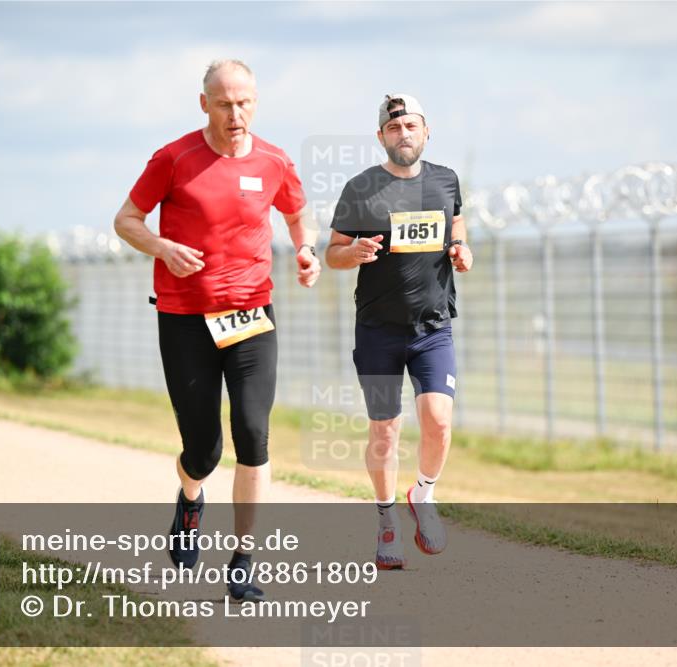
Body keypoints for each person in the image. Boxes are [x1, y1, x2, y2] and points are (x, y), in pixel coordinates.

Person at [114, 60, 320, 602]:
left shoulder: (274, 160)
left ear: (257, 102)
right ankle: (190, 499)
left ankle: (244, 560)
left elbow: (299, 215)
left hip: (252, 315)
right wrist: (162, 247)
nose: (236, 113)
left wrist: (304, 249)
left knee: (253, 433)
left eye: (245, 102)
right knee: (203, 449)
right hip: (184, 318)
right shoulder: (174, 158)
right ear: (203, 103)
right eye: (225, 103)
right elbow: (126, 220)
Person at [325, 94, 473, 570]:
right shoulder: (360, 188)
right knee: (385, 432)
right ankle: (387, 520)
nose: (403, 133)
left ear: (426, 131)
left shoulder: (446, 180)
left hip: (432, 327)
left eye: (411, 125)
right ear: (381, 137)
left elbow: (458, 227)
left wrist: (463, 251)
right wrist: (356, 253)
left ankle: (423, 495)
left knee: (439, 421)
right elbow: (333, 253)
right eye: (394, 128)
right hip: (378, 330)